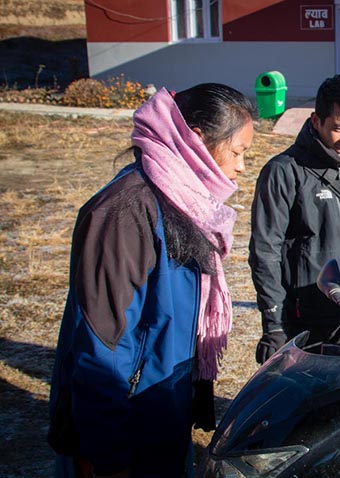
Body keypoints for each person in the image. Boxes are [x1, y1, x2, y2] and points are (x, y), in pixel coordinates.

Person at [48, 83, 257, 477]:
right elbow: (102, 346)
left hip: (159, 415)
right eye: (238, 152)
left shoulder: (184, 202)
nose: (242, 166)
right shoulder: (126, 211)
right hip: (124, 431)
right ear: (197, 140)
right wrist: (107, 455)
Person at [249, 74, 340, 363]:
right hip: (303, 313)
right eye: (339, 128)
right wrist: (274, 325)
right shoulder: (283, 171)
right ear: (316, 120)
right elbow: (264, 252)